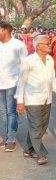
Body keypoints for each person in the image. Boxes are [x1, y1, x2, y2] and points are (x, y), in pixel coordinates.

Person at [15, 34, 56, 165]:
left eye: (49, 43)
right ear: (38, 46)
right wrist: (20, 101)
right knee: (36, 126)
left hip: (47, 99)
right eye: (46, 43)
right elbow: (21, 82)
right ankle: (41, 153)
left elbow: (52, 79)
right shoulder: (28, 61)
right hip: (32, 99)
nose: (49, 45)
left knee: (42, 126)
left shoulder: (49, 59)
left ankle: (28, 149)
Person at [0, 21, 28, 152]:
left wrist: (23, 85)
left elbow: (25, 66)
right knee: (2, 112)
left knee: (11, 112)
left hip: (13, 84)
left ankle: (11, 139)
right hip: (0, 84)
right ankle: (5, 136)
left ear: (4, 30)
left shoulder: (18, 45)